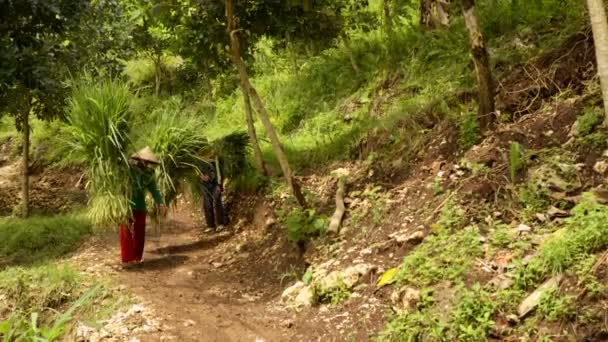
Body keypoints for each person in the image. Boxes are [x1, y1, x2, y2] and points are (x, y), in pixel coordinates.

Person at [120, 146, 166, 265]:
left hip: (140, 206)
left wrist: (160, 202)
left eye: (147, 162)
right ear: (138, 160)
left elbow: (154, 190)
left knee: (140, 231)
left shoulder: (149, 173)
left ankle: (137, 257)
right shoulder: (129, 170)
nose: (145, 163)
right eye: (143, 161)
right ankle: (126, 258)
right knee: (125, 231)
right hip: (126, 205)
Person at [198, 158, 227, 231]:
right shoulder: (198, 158)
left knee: (217, 200)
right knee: (207, 204)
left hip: (215, 183)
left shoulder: (216, 158)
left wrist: (219, 184)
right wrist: (201, 177)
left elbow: (219, 171)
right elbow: (195, 170)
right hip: (204, 184)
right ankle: (210, 225)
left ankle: (220, 223)